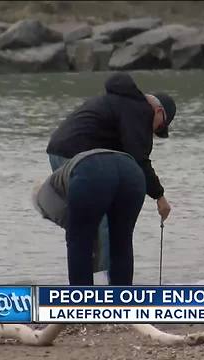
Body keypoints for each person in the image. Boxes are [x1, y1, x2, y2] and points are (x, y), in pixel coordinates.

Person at [45, 72, 176, 276]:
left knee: (87, 223)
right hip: (75, 156)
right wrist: (159, 196)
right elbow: (138, 159)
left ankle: (93, 284)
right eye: (159, 128)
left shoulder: (119, 103)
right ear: (158, 111)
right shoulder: (139, 110)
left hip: (59, 152)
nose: (154, 133)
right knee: (106, 226)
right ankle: (112, 290)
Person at [32, 149, 145, 285]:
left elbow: (75, 229)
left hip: (91, 172)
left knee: (78, 241)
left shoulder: (42, 198)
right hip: (132, 171)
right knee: (121, 242)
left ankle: (81, 299)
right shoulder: (58, 181)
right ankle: (122, 298)